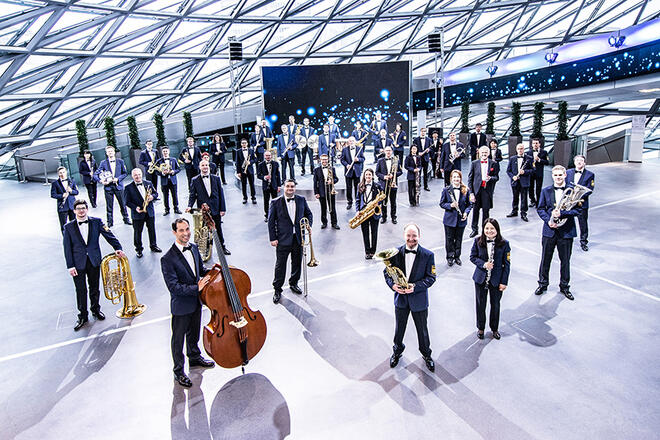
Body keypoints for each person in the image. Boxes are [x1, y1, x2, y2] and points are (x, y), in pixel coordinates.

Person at [160, 218, 215, 388]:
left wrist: (214, 270)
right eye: (181, 230)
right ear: (174, 233)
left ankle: (194, 357)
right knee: (178, 340)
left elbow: (200, 270)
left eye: (187, 229)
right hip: (181, 305)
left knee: (194, 333)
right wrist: (196, 288)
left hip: (196, 302)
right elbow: (173, 287)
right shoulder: (167, 258)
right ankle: (178, 371)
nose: (186, 233)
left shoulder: (193, 248)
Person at [63, 199, 124, 331]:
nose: (81, 211)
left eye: (83, 208)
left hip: (93, 260)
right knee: (81, 290)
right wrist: (70, 266)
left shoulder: (96, 222)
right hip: (77, 263)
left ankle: (96, 310)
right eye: (78, 208)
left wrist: (117, 247)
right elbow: (67, 248)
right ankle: (83, 316)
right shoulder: (68, 227)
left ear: (87, 209)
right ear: (74, 211)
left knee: (94, 287)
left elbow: (109, 235)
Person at [384, 223, 436, 372]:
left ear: (419, 236)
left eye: (414, 236)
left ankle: (426, 354)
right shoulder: (394, 253)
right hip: (401, 299)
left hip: (419, 300)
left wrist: (415, 287)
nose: (411, 239)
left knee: (422, 330)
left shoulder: (428, 255)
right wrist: (393, 286)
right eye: (408, 235)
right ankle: (397, 350)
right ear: (404, 236)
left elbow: (431, 278)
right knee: (399, 328)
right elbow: (386, 273)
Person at [535, 165, 582, 300]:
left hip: (566, 232)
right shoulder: (545, 191)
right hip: (549, 231)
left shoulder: (572, 192)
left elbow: (578, 211)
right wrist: (548, 220)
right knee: (545, 260)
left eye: (560, 175)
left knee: (565, 261)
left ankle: (564, 286)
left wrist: (562, 213)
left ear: (565, 175)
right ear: (552, 176)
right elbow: (540, 209)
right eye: (556, 175)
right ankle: (543, 284)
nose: (558, 177)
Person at [268, 179, 313, 304]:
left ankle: (294, 283)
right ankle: (277, 289)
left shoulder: (301, 200)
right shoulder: (275, 202)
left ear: (295, 188)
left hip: (298, 238)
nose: (290, 189)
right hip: (282, 239)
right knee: (280, 265)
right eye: (287, 186)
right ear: (284, 187)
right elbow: (271, 222)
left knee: (297, 262)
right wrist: (273, 238)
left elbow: (309, 214)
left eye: (292, 187)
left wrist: (309, 225)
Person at [469, 218, 510, 340]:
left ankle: (494, 328)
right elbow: (472, 257)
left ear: (497, 230)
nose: (489, 231)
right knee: (480, 304)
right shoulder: (478, 241)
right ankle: (480, 328)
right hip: (481, 278)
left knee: (495, 305)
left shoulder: (504, 243)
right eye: (486, 228)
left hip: (496, 280)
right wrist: (483, 264)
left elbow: (507, 265)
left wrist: (504, 282)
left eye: (492, 228)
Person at [186, 159, 231, 255]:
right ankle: (205, 251)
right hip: (203, 211)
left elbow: (221, 194)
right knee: (204, 231)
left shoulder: (216, 178)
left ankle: (222, 248)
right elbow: (192, 195)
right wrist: (189, 206)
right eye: (203, 165)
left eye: (206, 165)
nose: (205, 167)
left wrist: (222, 208)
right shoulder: (195, 180)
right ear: (199, 167)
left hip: (216, 208)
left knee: (218, 229)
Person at [124, 168, 160, 258]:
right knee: (137, 232)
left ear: (142, 174)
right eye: (135, 175)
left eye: (139, 174)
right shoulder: (128, 188)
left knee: (152, 230)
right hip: (137, 214)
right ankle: (139, 250)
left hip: (149, 212)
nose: (138, 176)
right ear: (132, 176)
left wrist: (152, 196)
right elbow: (127, 202)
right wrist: (135, 208)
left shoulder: (148, 183)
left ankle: (153, 246)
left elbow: (156, 194)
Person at [439, 170, 473, 266]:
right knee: (449, 239)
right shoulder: (446, 190)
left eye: (458, 177)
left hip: (461, 219)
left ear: (460, 178)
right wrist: (451, 205)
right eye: (454, 177)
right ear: (451, 179)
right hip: (449, 220)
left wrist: (466, 213)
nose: (456, 179)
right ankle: (450, 257)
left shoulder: (466, 189)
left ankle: (457, 256)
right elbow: (442, 203)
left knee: (459, 239)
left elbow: (470, 205)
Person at [94, 145, 131, 227]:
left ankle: (126, 219)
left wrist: (118, 179)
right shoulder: (103, 163)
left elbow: (125, 173)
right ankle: (110, 222)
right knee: (109, 205)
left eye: (111, 151)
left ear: (114, 152)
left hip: (118, 186)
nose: (110, 152)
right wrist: (101, 180)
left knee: (123, 204)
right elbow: (95, 174)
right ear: (106, 153)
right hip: (108, 187)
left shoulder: (120, 161)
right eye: (108, 151)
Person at [468, 146, 500, 237]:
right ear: (479, 153)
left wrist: (491, 178)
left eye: (486, 152)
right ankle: (474, 229)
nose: (484, 154)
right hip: (476, 190)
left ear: (488, 153)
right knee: (475, 211)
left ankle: (485, 230)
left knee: (486, 211)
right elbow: (470, 179)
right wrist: (471, 193)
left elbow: (496, 177)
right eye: (482, 152)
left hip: (487, 190)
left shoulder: (493, 163)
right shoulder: (474, 163)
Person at [565, 155, 595, 251]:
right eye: (577, 160)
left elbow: (590, 190)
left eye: (581, 161)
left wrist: (577, 197)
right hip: (569, 202)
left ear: (584, 163)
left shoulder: (590, 174)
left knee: (583, 223)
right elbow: (565, 185)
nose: (579, 162)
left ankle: (583, 242)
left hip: (581, 204)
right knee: (567, 221)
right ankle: (566, 238)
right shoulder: (568, 172)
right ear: (574, 162)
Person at [355, 168, 382, 259]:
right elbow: (358, 199)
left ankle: (373, 251)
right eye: (366, 175)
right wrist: (357, 211)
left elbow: (382, 198)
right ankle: (367, 251)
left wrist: (378, 204)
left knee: (374, 233)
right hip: (364, 212)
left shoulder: (378, 186)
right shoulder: (360, 185)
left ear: (372, 176)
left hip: (374, 212)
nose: (368, 176)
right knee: (365, 233)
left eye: (369, 174)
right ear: (364, 176)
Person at [506, 143, 533, 222]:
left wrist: (524, 172)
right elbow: (508, 170)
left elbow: (533, 170)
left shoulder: (529, 158)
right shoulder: (512, 158)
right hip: (515, 181)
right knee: (515, 197)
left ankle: (523, 213)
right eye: (518, 149)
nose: (520, 150)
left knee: (524, 198)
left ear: (524, 149)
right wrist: (513, 176)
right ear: (516, 149)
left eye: (521, 148)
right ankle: (514, 211)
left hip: (524, 182)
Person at [375, 146, 402, 224]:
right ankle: (384, 217)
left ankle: (393, 217)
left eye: (390, 150)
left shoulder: (396, 160)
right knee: (384, 202)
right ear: (384, 151)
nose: (388, 152)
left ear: (392, 151)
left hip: (393, 184)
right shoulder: (380, 160)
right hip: (383, 184)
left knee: (393, 202)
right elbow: (377, 172)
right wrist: (384, 177)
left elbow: (400, 171)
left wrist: (393, 175)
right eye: (387, 150)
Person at [313, 154, 340, 229]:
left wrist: (332, 181)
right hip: (321, 192)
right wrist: (316, 193)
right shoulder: (316, 170)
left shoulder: (332, 168)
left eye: (326, 159)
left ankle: (334, 223)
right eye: (323, 159)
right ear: (320, 160)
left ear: (328, 160)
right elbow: (315, 182)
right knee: (323, 208)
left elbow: (336, 179)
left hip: (331, 191)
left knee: (332, 208)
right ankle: (324, 222)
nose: (324, 161)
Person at [340, 136, 365, 210]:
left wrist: (358, 159)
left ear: (355, 141)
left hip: (357, 171)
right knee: (349, 187)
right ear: (348, 142)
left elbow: (363, 158)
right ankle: (349, 202)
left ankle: (358, 201)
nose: (351, 142)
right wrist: (346, 165)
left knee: (357, 187)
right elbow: (342, 160)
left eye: (353, 141)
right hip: (349, 171)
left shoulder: (359, 149)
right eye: (350, 141)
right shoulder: (344, 150)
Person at [51, 166, 79, 232]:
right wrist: (62, 195)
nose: (62, 174)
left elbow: (77, 192)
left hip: (72, 206)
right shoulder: (55, 183)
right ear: (58, 174)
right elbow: (53, 195)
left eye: (63, 172)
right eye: (60, 173)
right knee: (64, 226)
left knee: (74, 224)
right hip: (62, 207)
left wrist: (71, 191)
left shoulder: (71, 181)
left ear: (66, 172)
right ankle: (66, 240)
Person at [156, 146, 182, 216]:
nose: (165, 153)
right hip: (164, 181)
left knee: (175, 195)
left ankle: (176, 208)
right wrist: (162, 173)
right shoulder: (159, 161)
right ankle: (167, 209)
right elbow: (156, 171)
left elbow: (179, 169)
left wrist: (173, 171)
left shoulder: (173, 160)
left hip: (173, 180)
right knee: (165, 196)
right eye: (164, 151)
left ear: (169, 151)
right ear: (162, 152)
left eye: (166, 151)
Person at [257, 150, 282, 222]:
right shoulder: (260, 164)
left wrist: (279, 185)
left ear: (271, 156)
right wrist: (264, 177)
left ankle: (276, 215)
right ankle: (267, 215)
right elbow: (258, 175)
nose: (268, 157)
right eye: (266, 155)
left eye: (269, 155)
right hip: (265, 185)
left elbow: (278, 175)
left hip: (274, 185)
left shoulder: (276, 164)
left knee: (275, 201)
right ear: (264, 156)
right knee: (266, 201)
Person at [235, 138, 257, 204]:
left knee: (252, 185)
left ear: (247, 143)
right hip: (242, 171)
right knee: (244, 185)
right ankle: (245, 198)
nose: (244, 144)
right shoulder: (238, 151)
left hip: (250, 170)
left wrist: (250, 162)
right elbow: (237, 162)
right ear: (241, 144)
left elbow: (255, 159)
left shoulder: (251, 150)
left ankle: (253, 198)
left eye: (245, 143)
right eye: (242, 143)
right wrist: (238, 172)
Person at [528, 138, 549, 207]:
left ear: (539, 144)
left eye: (536, 143)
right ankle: (532, 200)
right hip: (531, 173)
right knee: (530, 188)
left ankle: (538, 202)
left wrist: (539, 160)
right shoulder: (528, 152)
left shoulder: (544, 152)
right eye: (534, 143)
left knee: (538, 188)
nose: (535, 145)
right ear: (532, 144)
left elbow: (547, 162)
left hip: (539, 173)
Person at [413, 127, 432, 191]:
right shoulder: (416, 139)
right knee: (419, 172)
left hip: (426, 158)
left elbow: (431, 148)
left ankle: (426, 186)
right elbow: (413, 148)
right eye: (422, 131)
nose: (423, 132)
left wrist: (428, 150)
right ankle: (418, 184)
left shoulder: (429, 139)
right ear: (420, 132)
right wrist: (418, 152)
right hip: (419, 158)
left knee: (425, 173)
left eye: (424, 131)